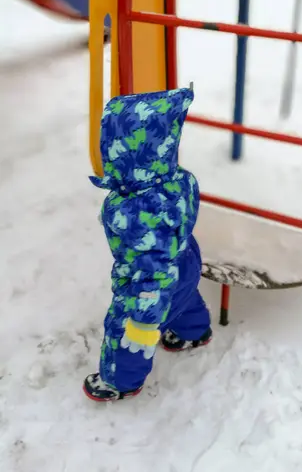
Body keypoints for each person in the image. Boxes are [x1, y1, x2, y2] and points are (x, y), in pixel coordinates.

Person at [83, 87, 212, 402]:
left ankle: (120, 380)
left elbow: (153, 273)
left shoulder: (138, 212)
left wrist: (143, 322)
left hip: (148, 282)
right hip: (184, 259)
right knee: (183, 297)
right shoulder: (176, 181)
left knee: (124, 332)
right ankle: (194, 332)